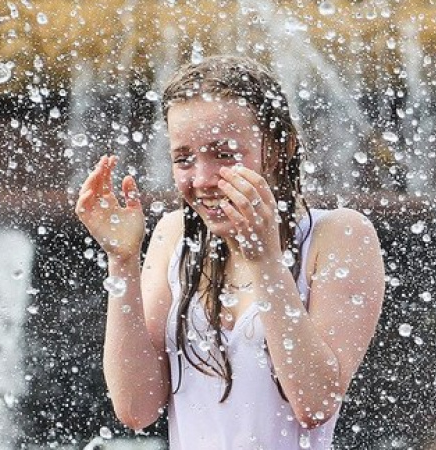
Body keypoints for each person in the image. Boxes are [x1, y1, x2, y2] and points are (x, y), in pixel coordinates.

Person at [75, 55, 385, 449]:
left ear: (279, 147)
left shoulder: (338, 235)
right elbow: (137, 409)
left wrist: (265, 258)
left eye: (223, 154)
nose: (203, 180)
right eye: (184, 158)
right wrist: (121, 261)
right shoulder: (174, 235)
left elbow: (315, 403)